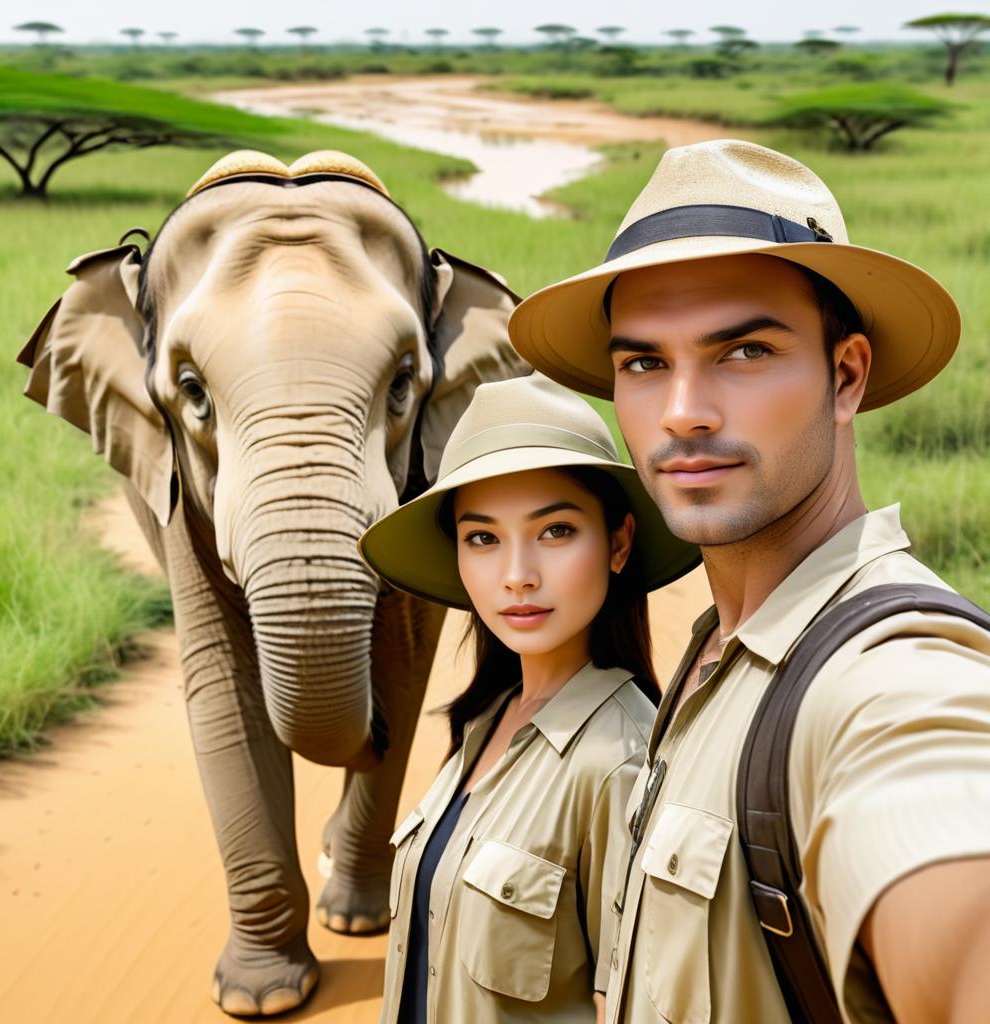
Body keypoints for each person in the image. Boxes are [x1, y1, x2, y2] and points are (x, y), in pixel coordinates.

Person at [508, 139, 990, 1023]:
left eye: (744, 352)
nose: (683, 410)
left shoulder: (890, 676)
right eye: (644, 363)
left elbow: (934, 796)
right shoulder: (713, 654)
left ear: (845, 376)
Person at [357, 373, 700, 1023]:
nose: (516, 575)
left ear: (619, 543)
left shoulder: (619, 763)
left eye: (555, 531)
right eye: (483, 538)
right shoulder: (488, 721)